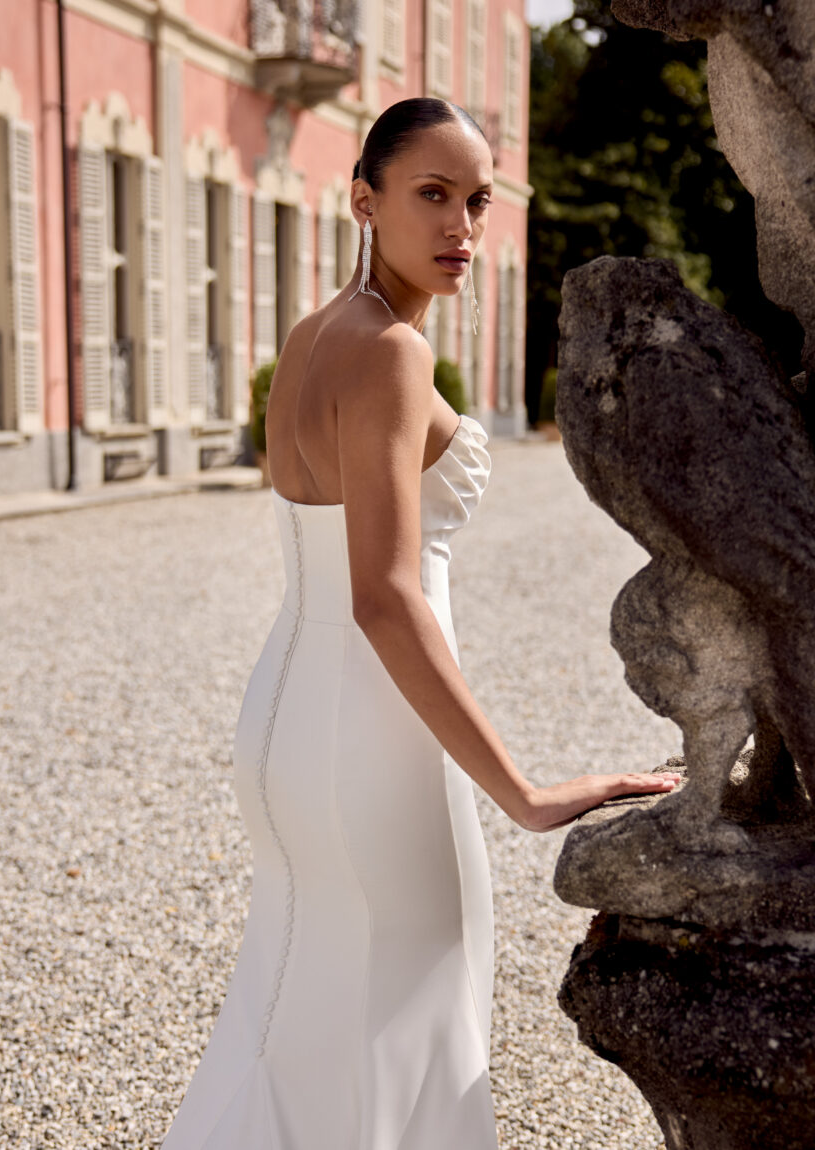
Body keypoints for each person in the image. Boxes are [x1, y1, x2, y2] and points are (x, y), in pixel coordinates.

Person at [161, 97, 679, 1150]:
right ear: (364, 200)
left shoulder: (312, 337)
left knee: (293, 1019)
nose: (460, 226)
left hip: (286, 724)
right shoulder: (391, 354)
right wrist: (526, 793)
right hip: (374, 738)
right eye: (430, 194)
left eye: (476, 201)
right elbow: (385, 594)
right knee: (413, 1029)